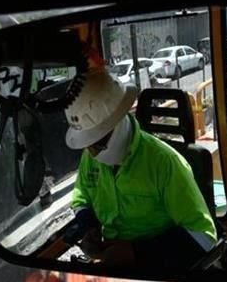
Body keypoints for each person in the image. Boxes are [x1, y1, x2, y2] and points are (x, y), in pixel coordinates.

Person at [66, 67, 216, 269]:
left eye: (98, 142)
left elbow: (204, 238)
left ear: (118, 124)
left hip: (159, 270)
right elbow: (81, 196)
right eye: (88, 144)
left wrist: (138, 253)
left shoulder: (165, 163)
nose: (93, 153)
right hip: (113, 263)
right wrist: (88, 227)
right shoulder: (91, 157)